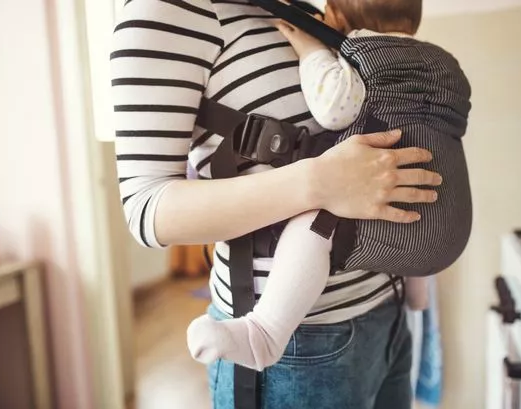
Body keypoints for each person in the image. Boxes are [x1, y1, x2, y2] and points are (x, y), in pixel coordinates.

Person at [111, 0, 443, 408]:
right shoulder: (168, 11)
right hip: (296, 348)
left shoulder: (299, 10)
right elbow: (146, 208)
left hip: (388, 316)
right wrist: (320, 181)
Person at [187, 0, 471, 372]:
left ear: (337, 17)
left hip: (373, 251)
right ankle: (416, 291)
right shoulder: (441, 64)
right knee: (421, 182)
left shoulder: (368, 59)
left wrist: (311, 48)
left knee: (313, 219)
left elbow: (334, 107)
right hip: (449, 233)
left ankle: (264, 335)